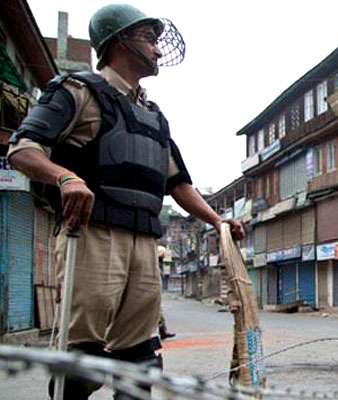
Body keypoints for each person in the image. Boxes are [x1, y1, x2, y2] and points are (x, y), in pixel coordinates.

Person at [8, 5, 244, 399]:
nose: (157, 49)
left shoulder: (154, 116)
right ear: (119, 41)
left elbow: (179, 184)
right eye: (149, 38)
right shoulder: (77, 92)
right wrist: (65, 178)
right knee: (81, 362)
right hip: (93, 237)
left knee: (141, 360)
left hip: (144, 245)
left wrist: (217, 221)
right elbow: (23, 148)